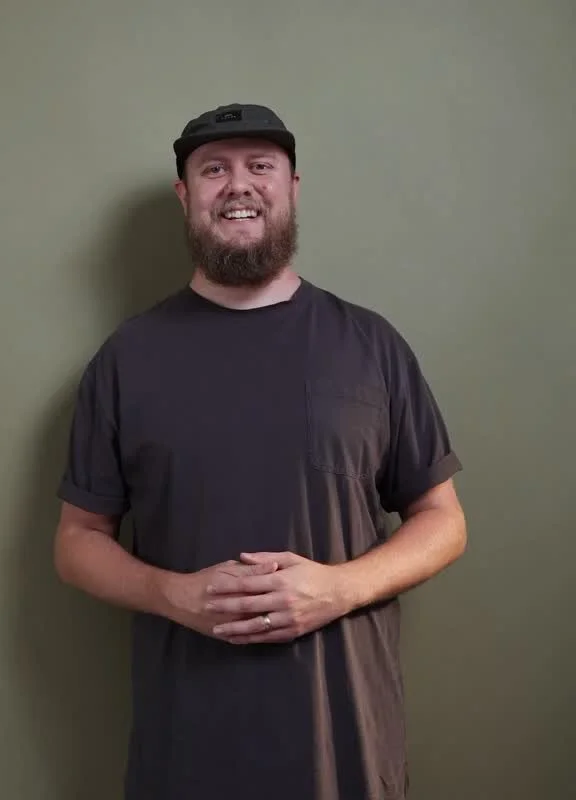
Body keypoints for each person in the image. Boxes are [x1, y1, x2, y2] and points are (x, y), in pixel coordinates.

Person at [54, 102, 467, 800]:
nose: (238, 184)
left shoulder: (370, 346)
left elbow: (444, 521)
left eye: (260, 166)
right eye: (214, 169)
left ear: (291, 187)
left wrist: (338, 589)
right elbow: (76, 542)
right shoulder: (126, 359)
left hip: (347, 750)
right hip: (185, 752)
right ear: (186, 194)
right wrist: (175, 595)